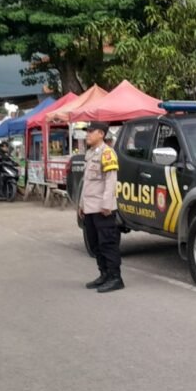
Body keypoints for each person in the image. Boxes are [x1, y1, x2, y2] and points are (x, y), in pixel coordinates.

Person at [79, 122, 124, 293]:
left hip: (102, 208)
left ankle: (115, 277)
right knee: (95, 244)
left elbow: (111, 181)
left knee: (107, 243)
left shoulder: (107, 153)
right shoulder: (90, 153)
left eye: (91, 132)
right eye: (87, 132)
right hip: (90, 208)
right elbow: (88, 183)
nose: (87, 135)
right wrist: (82, 205)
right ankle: (103, 274)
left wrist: (107, 204)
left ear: (101, 134)